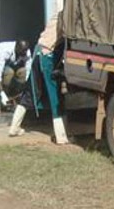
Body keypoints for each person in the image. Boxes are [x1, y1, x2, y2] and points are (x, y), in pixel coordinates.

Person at [8, 15, 69, 144]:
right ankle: (61, 137)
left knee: (31, 92)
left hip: (38, 54)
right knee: (54, 95)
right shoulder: (67, 19)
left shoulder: (57, 16)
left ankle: (14, 128)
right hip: (47, 57)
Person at [0, 40, 32, 109]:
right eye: (22, 51)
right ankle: (5, 97)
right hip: (4, 67)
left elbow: (28, 69)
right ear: (16, 47)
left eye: (25, 50)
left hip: (15, 65)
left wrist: (26, 85)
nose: (25, 53)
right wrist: (1, 93)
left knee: (23, 72)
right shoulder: (4, 50)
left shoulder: (26, 52)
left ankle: (17, 97)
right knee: (9, 72)